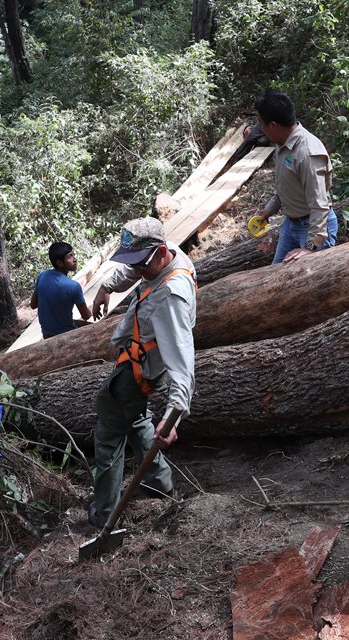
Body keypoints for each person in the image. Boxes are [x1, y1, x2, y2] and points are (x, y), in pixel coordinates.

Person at [87, 217, 197, 530]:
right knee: (135, 419)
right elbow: (131, 270)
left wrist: (175, 413)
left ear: (160, 253)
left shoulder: (172, 297)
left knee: (108, 433)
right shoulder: (165, 253)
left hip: (136, 373)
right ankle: (160, 483)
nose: (137, 270)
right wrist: (107, 286)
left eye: (140, 265)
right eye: (132, 263)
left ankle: (103, 513)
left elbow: (183, 364)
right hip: (139, 364)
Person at [252, 91, 338, 264]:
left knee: (310, 278)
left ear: (273, 125)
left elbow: (319, 205)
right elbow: (287, 185)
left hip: (314, 228)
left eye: (260, 122)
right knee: (275, 274)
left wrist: (311, 246)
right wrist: (269, 210)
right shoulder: (282, 144)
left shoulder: (307, 154)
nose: (259, 127)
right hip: (291, 224)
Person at [30, 242, 92, 339]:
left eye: (73, 255)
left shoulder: (42, 275)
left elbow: (33, 305)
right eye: (70, 256)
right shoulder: (73, 286)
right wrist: (92, 308)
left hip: (47, 335)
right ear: (59, 263)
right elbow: (86, 316)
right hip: (67, 336)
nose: (75, 259)